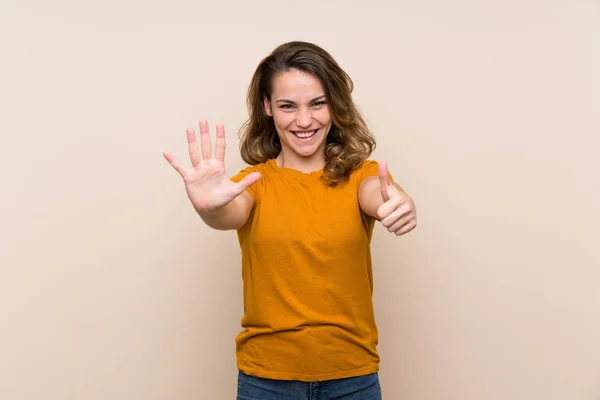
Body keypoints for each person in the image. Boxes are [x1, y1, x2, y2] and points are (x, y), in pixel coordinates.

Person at [163, 41, 417, 400]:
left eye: (318, 103)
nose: (304, 120)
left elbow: (382, 195)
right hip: (265, 381)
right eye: (287, 106)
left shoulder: (363, 177)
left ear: (335, 104)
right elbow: (228, 213)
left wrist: (401, 204)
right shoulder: (253, 184)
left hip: (353, 378)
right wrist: (209, 207)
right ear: (267, 107)